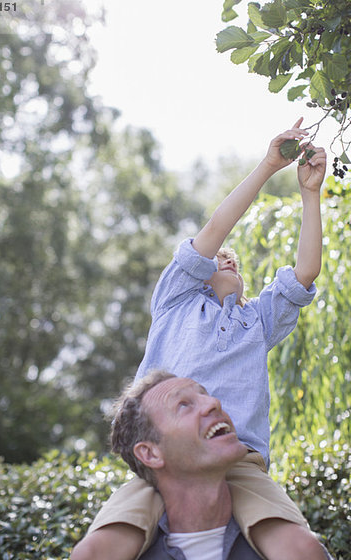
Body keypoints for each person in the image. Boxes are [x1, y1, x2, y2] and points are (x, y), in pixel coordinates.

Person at [71, 119, 328, 560]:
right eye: (217, 259)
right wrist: (268, 166)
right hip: (167, 461)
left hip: (238, 460)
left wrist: (309, 195)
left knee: (300, 547)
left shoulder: (257, 323)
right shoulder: (176, 304)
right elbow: (213, 231)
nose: (227, 260)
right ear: (196, 274)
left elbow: (304, 273)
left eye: (234, 260)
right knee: (99, 549)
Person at [71, 371, 332, 560]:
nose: (214, 403)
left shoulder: (281, 544)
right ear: (150, 453)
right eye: (183, 405)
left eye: (205, 396)